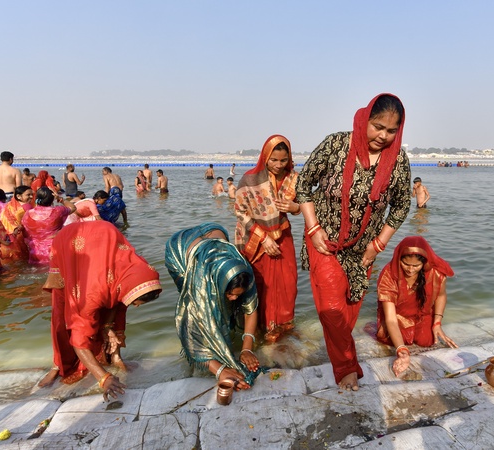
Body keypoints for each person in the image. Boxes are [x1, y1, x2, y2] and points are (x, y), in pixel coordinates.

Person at [295, 93, 412, 390]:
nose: (383, 136)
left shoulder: (398, 160)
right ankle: (347, 368)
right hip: (324, 242)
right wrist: (313, 228)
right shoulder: (336, 144)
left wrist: (377, 245)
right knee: (332, 308)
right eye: (377, 127)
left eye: (391, 131)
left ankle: (338, 352)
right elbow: (304, 183)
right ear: (365, 120)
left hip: (364, 251)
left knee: (348, 310)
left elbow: (400, 206)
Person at [38, 221, 162, 400]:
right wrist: (104, 378)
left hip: (103, 242)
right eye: (136, 303)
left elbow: (118, 304)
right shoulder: (90, 294)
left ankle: (114, 357)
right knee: (63, 316)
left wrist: (108, 328)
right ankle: (57, 365)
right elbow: (78, 341)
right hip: (68, 243)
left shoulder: (132, 268)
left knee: (119, 301)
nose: (135, 307)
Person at [166, 223, 262, 389]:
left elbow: (250, 309)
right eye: (230, 294)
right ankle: (207, 359)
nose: (233, 299)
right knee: (202, 314)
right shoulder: (200, 282)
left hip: (214, 235)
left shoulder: (243, 271)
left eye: (237, 295)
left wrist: (247, 349)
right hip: (180, 250)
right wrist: (220, 370)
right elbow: (189, 329)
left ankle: (222, 345)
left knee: (226, 310)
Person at [234, 135, 300, 342]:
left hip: (283, 236)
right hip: (257, 239)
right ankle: (266, 328)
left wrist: (295, 208)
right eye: (274, 160)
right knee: (264, 286)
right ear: (265, 157)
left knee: (288, 283)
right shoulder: (250, 179)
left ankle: (285, 325)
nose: (279, 165)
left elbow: (307, 204)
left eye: (283, 160)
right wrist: (264, 238)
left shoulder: (293, 178)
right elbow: (240, 212)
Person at [375, 236, 457, 377]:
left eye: (416, 266)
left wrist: (437, 323)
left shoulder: (436, 272)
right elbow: (391, 319)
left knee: (427, 341)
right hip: (398, 316)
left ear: (424, 263)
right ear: (399, 258)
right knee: (396, 339)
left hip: (422, 314)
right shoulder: (389, 274)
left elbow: (441, 295)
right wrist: (402, 351)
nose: (410, 269)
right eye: (406, 264)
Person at [22, 187, 76, 265]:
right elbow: (73, 207)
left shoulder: (27, 214)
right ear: (52, 199)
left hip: (34, 251)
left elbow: (25, 232)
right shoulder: (57, 211)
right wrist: (61, 199)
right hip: (53, 249)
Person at [0, 185, 33, 262]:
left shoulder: (8, 205)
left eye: (32, 195)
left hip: (5, 238)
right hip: (18, 237)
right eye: (28, 195)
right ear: (19, 196)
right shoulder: (27, 206)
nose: (31, 197)